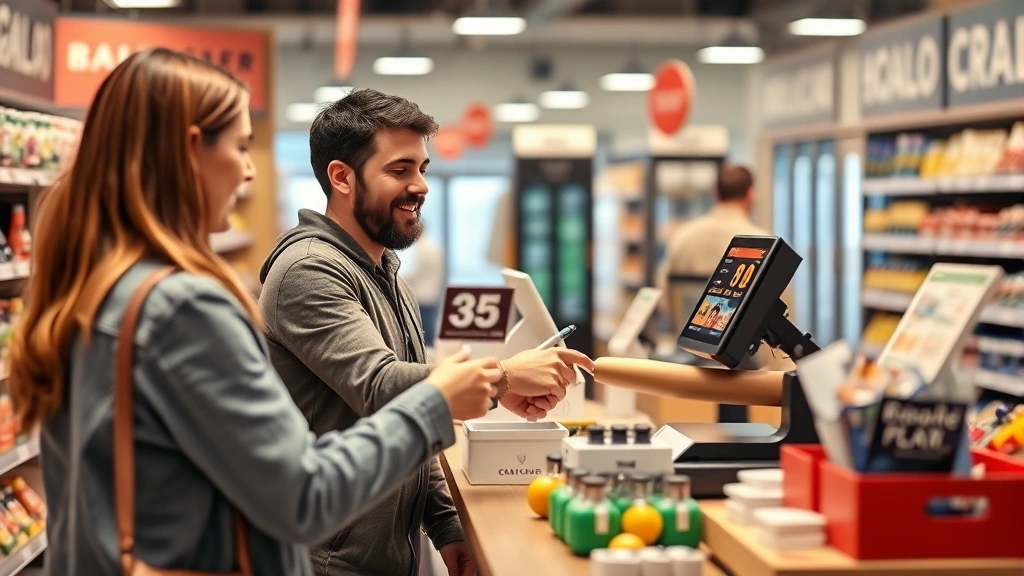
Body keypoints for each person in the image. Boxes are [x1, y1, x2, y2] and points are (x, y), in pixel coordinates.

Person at [7, 48, 505, 576]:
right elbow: (301, 496)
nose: (248, 171)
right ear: (193, 150)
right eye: (242, 146)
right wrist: (433, 402)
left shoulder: (94, 289)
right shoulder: (182, 309)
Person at [258, 88, 594, 576]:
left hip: (382, 556)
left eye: (422, 168)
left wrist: (446, 525)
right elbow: (382, 390)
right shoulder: (308, 271)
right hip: (324, 561)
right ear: (341, 177)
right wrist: (503, 377)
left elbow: (413, 425)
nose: (420, 185)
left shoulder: (389, 273)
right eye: (400, 170)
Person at [656, 164, 794, 371]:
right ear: (750, 194)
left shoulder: (682, 237)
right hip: (747, 367)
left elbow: (665, 297)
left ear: (716, 193)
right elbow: (782, 314)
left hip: (691, 357)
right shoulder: (763, 243)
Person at [398, 223, 445, 346]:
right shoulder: (435, 246)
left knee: (421, 334)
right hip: (432, 295)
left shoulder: (420, 249)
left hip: (420, 297)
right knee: (429, 332)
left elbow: (415, 273)